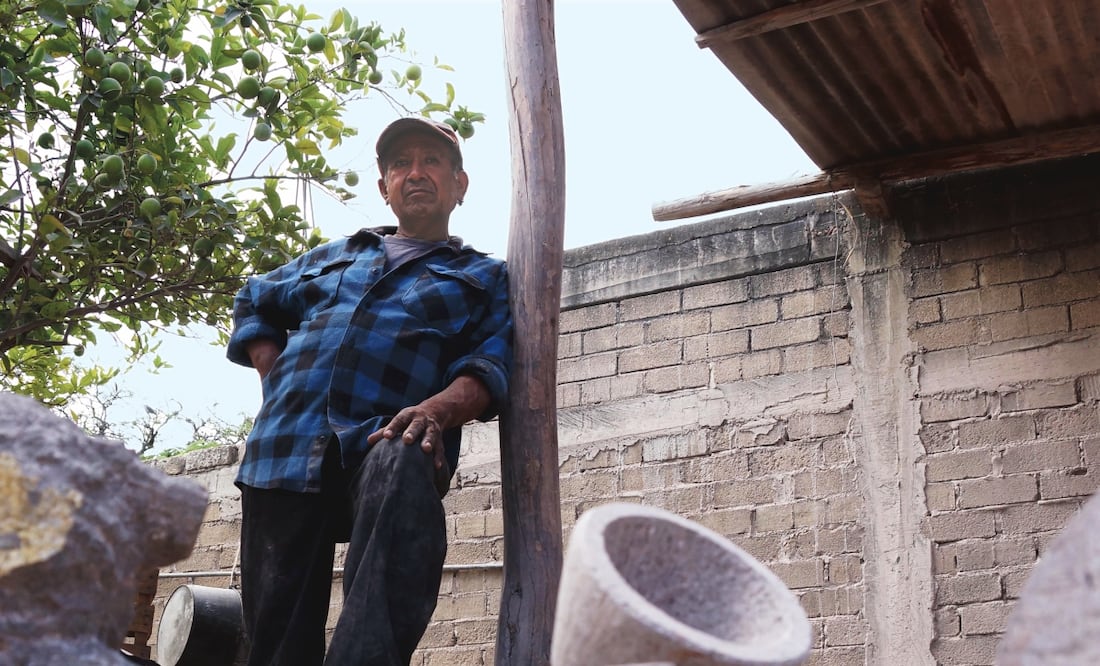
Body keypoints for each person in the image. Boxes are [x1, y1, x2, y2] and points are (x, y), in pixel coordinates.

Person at [225, 116, 513, 666]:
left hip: (379, 446)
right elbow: (254, 299)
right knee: (274, 643)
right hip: (284, 452)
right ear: (385, 188)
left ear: (459, 184)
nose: (416, 173)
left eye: (431, 161)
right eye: (400, 164)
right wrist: (273, 380)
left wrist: (434, 410)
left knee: (406, 449)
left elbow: (488, 367)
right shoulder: (336, 255)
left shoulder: (485, 276)